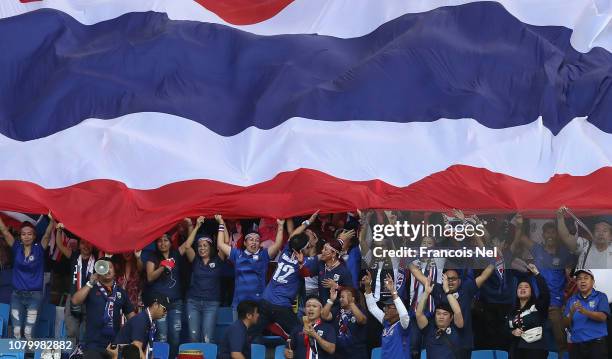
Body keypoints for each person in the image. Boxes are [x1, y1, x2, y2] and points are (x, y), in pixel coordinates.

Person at [511, 213, 572, 358]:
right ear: (543, 234)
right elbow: (522, 238)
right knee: (530, 339)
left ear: (557, 235)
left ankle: (563, 355)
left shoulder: (564, 253)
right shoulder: (537, 249)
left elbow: (570, 276)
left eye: (553, 232)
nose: (550, 235)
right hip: (536, 303)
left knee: (560, 337)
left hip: (554, 303)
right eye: (547, 232)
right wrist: (519, 223)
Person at [145, 219, 197, 358]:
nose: (163, 243)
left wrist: (192, 226)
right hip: (159, 302)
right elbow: (149, 277)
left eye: (166, 240)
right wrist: (162, 267)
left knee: (175, 336)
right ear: (156, 243)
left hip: (176, 302)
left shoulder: (175, 253)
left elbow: (188, 244)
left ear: (170, 242)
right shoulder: (153, 257)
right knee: (161, 336)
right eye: (160, 241)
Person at [0, 214, 54, 339]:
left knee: (29, 332)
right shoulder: (16, 248)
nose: (26, 236)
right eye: (23, 234)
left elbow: (46, 234)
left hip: (34, 297)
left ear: (34, 236)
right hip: (17, 296)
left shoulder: (39, 249)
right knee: (17, 331)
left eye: (29, 234)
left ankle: (27, 356)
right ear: (20, 236)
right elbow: (4, 230)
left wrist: (52, 220)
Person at [217, 218, 285, 315]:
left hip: (257, 305)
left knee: (256, 330)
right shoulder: (237, 254)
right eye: (251, 239)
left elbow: (278, 244)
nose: (254, 242)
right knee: (239, 330)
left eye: (257, 240)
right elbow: (220, 244)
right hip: (239, 304)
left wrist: (281, 226)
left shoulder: (264, 255)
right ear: (245, 243)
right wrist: (220, 223)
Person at [71, 260, 135, 356]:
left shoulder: (121, 292)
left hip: (113, 345)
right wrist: (90, 283)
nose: (108, 270)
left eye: (110, 267)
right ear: (99, 270)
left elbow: (132, 317)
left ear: (114, 271)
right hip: (93, 344)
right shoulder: (91, 288)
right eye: (104, 267)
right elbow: (75, 301)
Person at [432, 265, 494, 358]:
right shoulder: (438, 290)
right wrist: (407, 260)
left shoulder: (466, 288)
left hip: (464, 343)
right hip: (443, 342)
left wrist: (496, 259)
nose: (450, 281)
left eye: (453, 279)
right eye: (447, 279)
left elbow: (484, 276)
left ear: (459, 281)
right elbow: (421, 277)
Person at [184, 215, 226, 343]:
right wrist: (196, 226)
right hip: (193, 302)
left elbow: (223, 244)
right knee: (193, 338)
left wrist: (221, 222)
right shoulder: (195, 260)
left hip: (211, 303)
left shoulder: (218, 259)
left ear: (211, 247)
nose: (202, 248)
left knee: (207, 339)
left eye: (205, 245)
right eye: (200, 246)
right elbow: (186, 246)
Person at [54, 222, 96, 346]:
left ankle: (82, 353)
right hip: (73, 298)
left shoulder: (98, 261)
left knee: (85, 332)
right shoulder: (74, 256)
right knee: (71, 331)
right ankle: (72, 353)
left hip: (90, 301)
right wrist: (59, 231)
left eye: (89, 243)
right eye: (83, 242)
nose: (86, 246)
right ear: (78, 245)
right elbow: (59, 245)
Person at [506, 264, 550, 359]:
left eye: (526, 287)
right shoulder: (512, 311)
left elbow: (545, 294)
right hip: (516, 351)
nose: (522, 288)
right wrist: (512, 332)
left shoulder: (538, 306)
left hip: (535, 351)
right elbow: (505, 329)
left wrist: (537, 274)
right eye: (520, 287)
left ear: (531, 291)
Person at [563, 269, 609, 359]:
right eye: (579, 279)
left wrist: (585, 312)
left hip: (596, 344)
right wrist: (571, 313)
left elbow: (603, 317)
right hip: (577, 344)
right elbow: (565, 324)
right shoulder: (571, 299)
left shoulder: (601, 296)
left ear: (593, 282)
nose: (582, 281)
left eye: (586, 278)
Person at [364, 271, 411, 357]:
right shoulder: (386, 323)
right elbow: (372, 307)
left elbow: (404, 315)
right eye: (385, 307)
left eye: (389, 307)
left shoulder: (403, 325)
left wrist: (393, 290)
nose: (385, 310)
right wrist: (367, 286)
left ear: (397, 311)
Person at [416, 277, 464, 359]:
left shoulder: (456, 328)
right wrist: (426, 293)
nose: (441, 316)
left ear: (451, 317)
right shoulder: (429, 329)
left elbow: (457, 312)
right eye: (438, 313)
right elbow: (419, 314)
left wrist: (447, 291)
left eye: (445, 314)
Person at [113, 293, 169, 359]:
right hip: (120, 355)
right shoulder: (141, 320)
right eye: (164, 309)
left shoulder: (150, 321)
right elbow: (137, 347)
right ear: (155, 305)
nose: (166, 313)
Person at [301, 239, 354, 305]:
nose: (322, 251)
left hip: (337, 306)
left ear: (334, 254)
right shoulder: (321, 264)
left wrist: (337, 286)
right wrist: (301, 263)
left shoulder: (343, 270)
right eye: (323, 248)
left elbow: (351, 290)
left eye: (325, 249)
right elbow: (306, 273)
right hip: (322, 305)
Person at [321, 286, 368, 359]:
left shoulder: (360, 310)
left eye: (343, 297)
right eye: (340, 297)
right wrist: (331, 300)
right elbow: (324, 316)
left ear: (353, 298)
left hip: (356, 354)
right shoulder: (337, 309)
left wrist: (351, 304)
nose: (340, 299)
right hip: (339, 354)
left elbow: (361, 320)